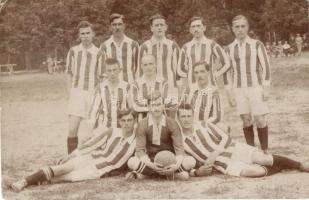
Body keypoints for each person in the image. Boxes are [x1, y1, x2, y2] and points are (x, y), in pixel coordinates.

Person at [8, 109, 137, 192]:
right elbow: (91, 144)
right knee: (62, 169)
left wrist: (134, 172)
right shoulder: (113, 131)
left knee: (63, 178)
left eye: (130, 120)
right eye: (123, 120)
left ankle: (27, 181)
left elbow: (137, 157)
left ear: (134, 121)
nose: (126, 123)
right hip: (92, 157)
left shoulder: (137, 140)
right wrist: (71, 155)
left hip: (99, 170)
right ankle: (23, 181)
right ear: (119, 122)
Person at [177, 103, 309, 177]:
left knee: (264, 159)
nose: (186, 119)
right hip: (222, 163)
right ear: (178, 118)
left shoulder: (204, 124)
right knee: (254, 172)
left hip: (232, 148)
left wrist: (214, 153)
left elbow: (226, 138)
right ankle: (281, 166)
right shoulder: (180, 140)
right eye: (183, 116)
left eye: (188, 116)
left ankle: (299, 165)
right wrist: (197, 173)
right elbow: (188, 164)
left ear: (192, 116)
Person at [223, 15, 271, 153]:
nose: (240, 29)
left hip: (255, 86)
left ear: (247, 27)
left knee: (260, 118)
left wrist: (266, 87)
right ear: (233, 29)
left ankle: (265, 150)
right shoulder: (229, 48)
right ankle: (251, 151)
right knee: (246, 119)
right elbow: (227, 72)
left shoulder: (257, 44)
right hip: (239, 89)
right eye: (237, 27)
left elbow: (266, 66)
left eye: (243, 26)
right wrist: (229, 92)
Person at [126, 94, 195, 180]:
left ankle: (150, 175)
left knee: (191, 161)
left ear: (163, 105)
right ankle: (169, 175)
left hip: (170, 161)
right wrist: (152, 165)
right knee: (131, 161)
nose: (156, 108)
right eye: (153, 105)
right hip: (151, 161)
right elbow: (140, 150)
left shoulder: (172, 123)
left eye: (159, 104)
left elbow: (179, 148)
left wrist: (175, 165)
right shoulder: (143, 124)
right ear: (148, 107)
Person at [65, 20, 105, 154]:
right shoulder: (73, 51)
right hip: (77, 93)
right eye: (83, 33)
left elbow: (102, 77)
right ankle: (70, 157)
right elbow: (69, 73)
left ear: (93, 34)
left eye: (88, 33)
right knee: (72, 128)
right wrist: (70, 92)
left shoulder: (99, 53)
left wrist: (99, 96)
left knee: (94, 128)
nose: (86, 36)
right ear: (79, 36)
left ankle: (95, 155)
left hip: (93, 93)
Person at [177, 16, 229, 90]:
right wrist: (189, 75)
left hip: (210, 85)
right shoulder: (186, 47)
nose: (196, 29)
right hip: (193, 86)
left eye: (198, 26)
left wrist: (216, 74)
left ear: (204, 28)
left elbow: (227, 63)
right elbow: (179, 69)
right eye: (193, 27)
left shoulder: (212, 44)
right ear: (190, 30)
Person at [138, 14, 179, 94]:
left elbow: (177, 70)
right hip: (151, 88)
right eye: (156, 25)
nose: (159, 27)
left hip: (171, 87)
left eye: (161, 25)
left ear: (166, 27)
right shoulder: (145, 46)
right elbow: (140, 71)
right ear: (151, 28)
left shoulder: (173, 46)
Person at [130, 54, 177, 120]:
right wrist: (157, 104)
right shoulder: (136, 84)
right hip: (142, 119)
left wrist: (146, 102)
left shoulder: (164, 83)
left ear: (155, 64)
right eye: (145, 65)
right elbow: (136, 105)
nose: (148, 67)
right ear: (141, 66)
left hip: (162, 120)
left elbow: (168, 101)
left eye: (150, 64)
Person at [89, 58, 131, 129]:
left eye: (114, 70)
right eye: (109, 70)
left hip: (123, 128)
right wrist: (92, 128)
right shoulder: (101, 87)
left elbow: (132, 108)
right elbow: (94, 110)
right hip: (105, 127)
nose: (112, 73)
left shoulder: (126, 87)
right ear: (105, 72)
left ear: (119, 70)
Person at [100, 13, 139, 83]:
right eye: (114, 25)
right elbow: (103, 70)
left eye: (120, 24)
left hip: (129, 85)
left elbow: (138, 68)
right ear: (110, 27)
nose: (117, 27)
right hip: (111, 86)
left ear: (124, 26)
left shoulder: (133, 44)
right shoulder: (104, 46)